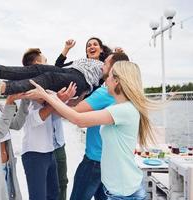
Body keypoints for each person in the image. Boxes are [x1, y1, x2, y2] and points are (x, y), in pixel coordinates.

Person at [25, 61, 157, 200]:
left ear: (117, 81)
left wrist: (48, 97)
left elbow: (78, 119)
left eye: (110, 76)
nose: (106, 79)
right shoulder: (121, 108)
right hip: (118, 189)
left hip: (124, 192)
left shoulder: (123, 110)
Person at [0, 36, 111, 103]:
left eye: (95, 44)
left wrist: (119, 56)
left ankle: (0, 88)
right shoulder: (80, 61)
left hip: (81, 82)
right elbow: (58, 66)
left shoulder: (104, 65)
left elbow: (113, 74)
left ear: (101, 50)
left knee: (49, 77)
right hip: (71, 73)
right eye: (89, 45)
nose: (91, 46)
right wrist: (66, 48)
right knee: (38, 68)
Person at [69, 52, 129, 200]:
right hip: (113, 161)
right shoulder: (126, 93)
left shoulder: (105, 93)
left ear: (114, 69)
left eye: (106, 63)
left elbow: (74, 114)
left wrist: (52, 98)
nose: (102, 66)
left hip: (95, 161)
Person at [21, 48, 69, 200]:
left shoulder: (47, 88)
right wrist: (55, 101)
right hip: (34, 153)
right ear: (37, 64)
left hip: (50, 152)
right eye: (45, 61)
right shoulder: (24, 87)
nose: (48, 65)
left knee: (53, 194)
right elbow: (33, 120)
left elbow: (63, 104)